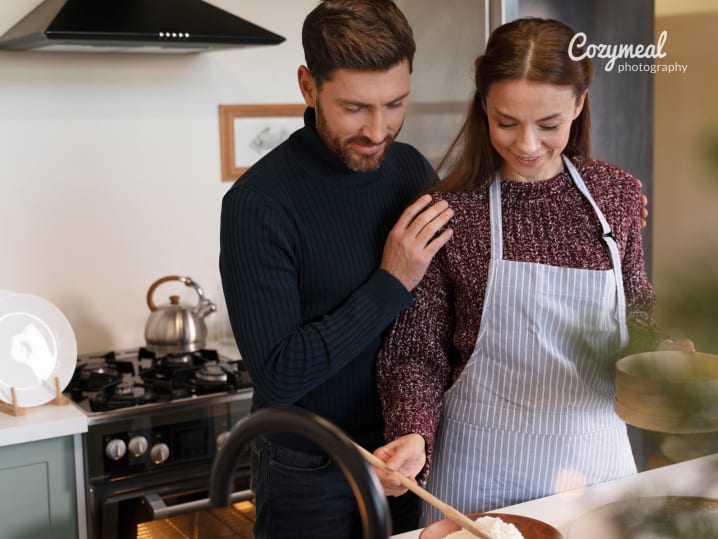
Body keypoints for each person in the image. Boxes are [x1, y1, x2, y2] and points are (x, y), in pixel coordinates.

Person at [373, 17, 693, 526]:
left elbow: (635, 312)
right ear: (482, 105)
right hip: (478, 476)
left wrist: (664, 356)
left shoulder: (617, 197)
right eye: (506, 121)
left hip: (596, 469)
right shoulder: (452, 210)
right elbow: (417, 350)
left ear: (579, 105)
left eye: (548, 125)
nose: (526, 144)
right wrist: (412, 431)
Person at [219, 1, 455, 537]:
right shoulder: (258, 204)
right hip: (305, 470)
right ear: (308, 87)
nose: (378, 129)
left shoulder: (411, 169)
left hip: (402, 458)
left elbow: (456, 291)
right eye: (354, 108)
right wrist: (391, 283)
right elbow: (279, 376)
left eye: (396, 104)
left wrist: (602, 213)